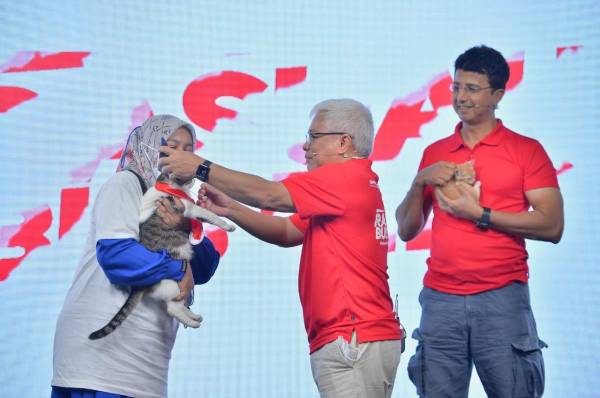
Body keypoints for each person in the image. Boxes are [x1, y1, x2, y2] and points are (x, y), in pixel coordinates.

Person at [159, 99, 404, 397]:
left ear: (343, 143)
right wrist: (232, 208)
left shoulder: (343, 178)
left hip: (353, 338)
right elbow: (288, 231)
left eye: (314, 137)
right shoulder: (350, 183)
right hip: (358, 337)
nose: (305, 146)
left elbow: (269, 195)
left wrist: (200, 167)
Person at [395, 45, 564, 397]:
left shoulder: (526, 150)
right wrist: (419, 181)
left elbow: (552, 225)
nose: (461, 97)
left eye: (472, 88)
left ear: (498, 94)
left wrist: (481, 215)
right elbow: (406, 229)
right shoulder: (436, 152)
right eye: (456, 87)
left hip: (501, 297)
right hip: (440, 299)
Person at [51, 115, 221, 398]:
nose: (180, 156)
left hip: (144, 365)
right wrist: (178, 267)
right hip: (100, 361)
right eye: (170, 146)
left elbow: (203, 268)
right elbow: (118, 256)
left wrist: (195, 221)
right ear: (149, 146)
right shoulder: (126, 184)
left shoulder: (180, 204)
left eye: (188, 150)